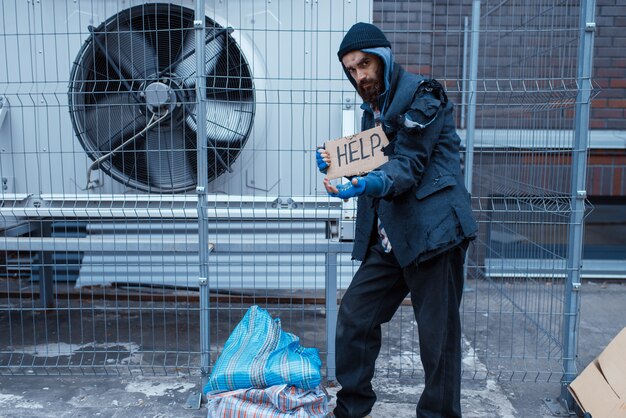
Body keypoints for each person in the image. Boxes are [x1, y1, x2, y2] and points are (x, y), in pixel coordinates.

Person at [315, 22, 477, 418]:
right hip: (393, 240)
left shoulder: (424, 95)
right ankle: (351, 409)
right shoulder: (376, 106)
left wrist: (365, 184)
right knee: (355, 316)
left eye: (365, 64)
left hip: (435, 236)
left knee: (438, 342)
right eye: (351, 69)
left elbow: (408, 164)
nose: (360, 75)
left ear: (383, 59)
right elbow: (378, 151)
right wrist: (339, 162)